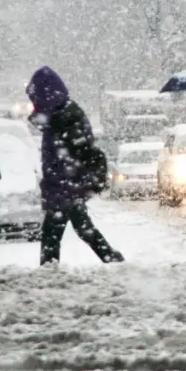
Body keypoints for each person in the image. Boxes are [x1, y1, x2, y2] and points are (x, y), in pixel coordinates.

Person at [27, 67, 124, 266]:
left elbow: (78, 149)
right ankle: (111, 258)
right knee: (80, 227)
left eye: (36, 98)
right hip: (65, 184)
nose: (34, 103)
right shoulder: (62, 113)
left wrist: (64, 178)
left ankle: (49, 267)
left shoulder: (65, 116)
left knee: (52, 233)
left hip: (64, 185)